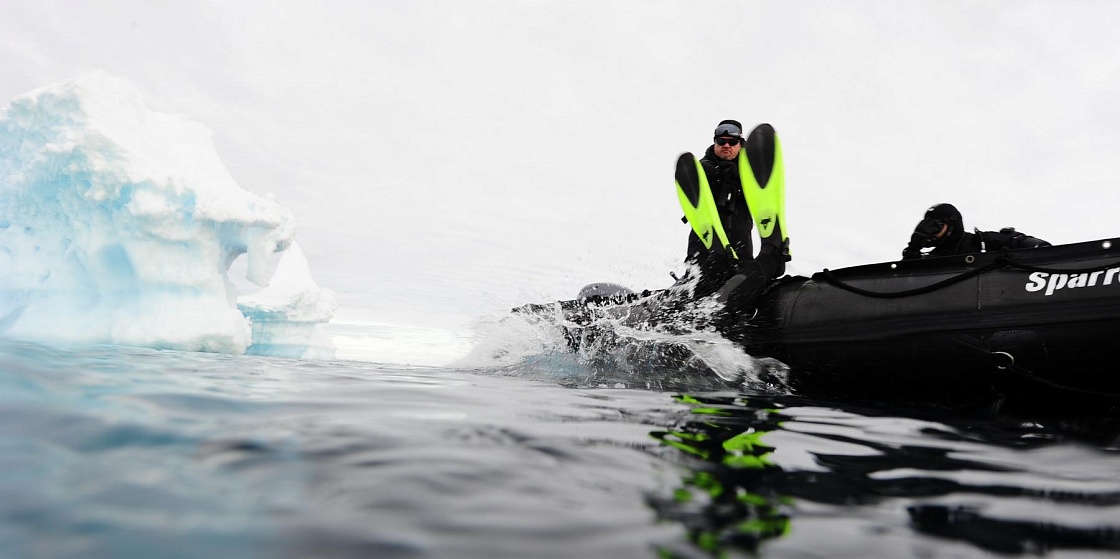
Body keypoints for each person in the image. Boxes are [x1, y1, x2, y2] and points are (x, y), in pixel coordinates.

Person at [683, 119, 787, 312]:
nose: (726, 146)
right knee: (701, 291)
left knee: (743, 292)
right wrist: (719, 175)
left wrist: (739, 177)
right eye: (721, 142)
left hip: (741, 251)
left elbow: (763, 197)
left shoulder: (751, 174)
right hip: (705, 251)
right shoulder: (704, 168)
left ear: (741, 144)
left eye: (732, 142)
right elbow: (696, 184)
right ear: (714, 143)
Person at [901, 203, 1050, 260]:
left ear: (951, 224)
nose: (930, 233)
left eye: (935, 226)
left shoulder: (981, 242)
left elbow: (1020, 241)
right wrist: (913, 248)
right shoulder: (931, 258)